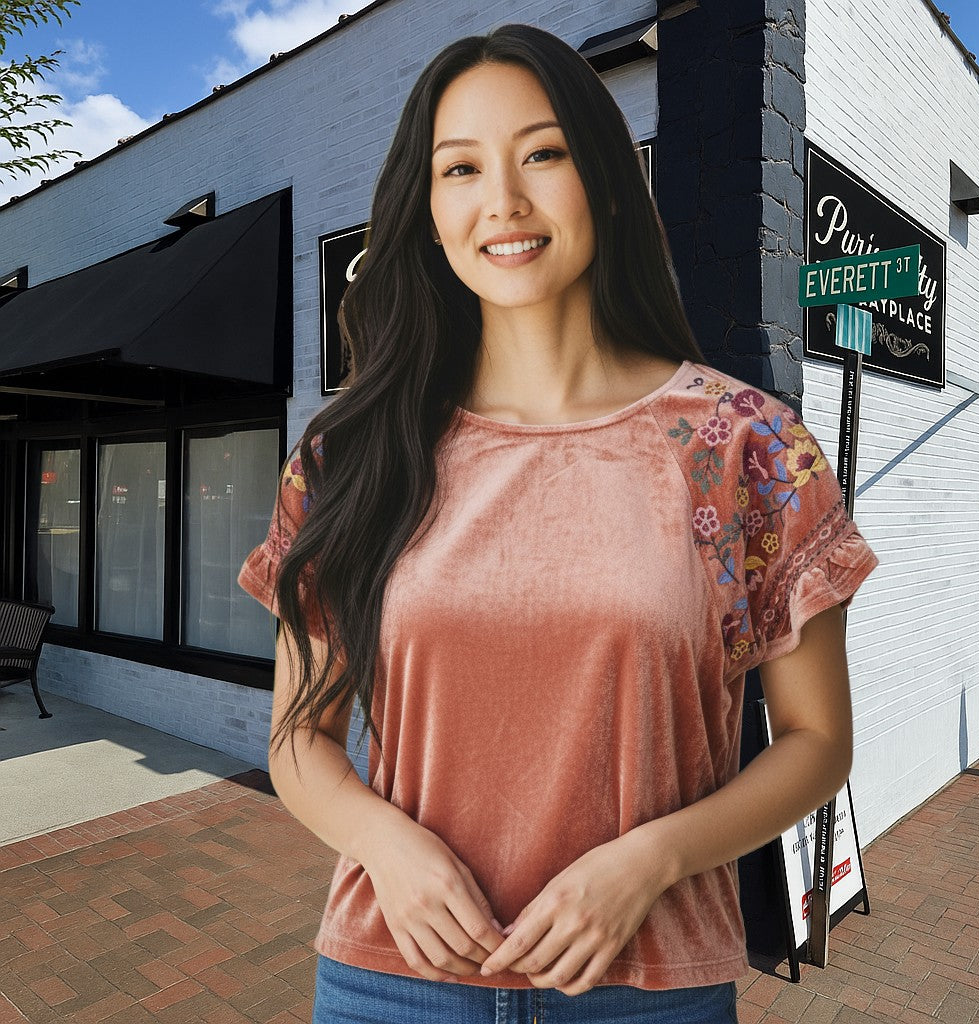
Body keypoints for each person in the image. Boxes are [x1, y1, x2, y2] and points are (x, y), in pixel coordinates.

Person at [237, 23, 880, 1024]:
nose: (503, 199)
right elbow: (299, 741)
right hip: (392, 982)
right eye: (461, 168)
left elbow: (816, 740)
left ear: (609, 184)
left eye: (543, 153)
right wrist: (384, 844)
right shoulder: (348, 456)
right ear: (428, 211)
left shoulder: (745, 446)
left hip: (647, 989)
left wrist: (650, 859)